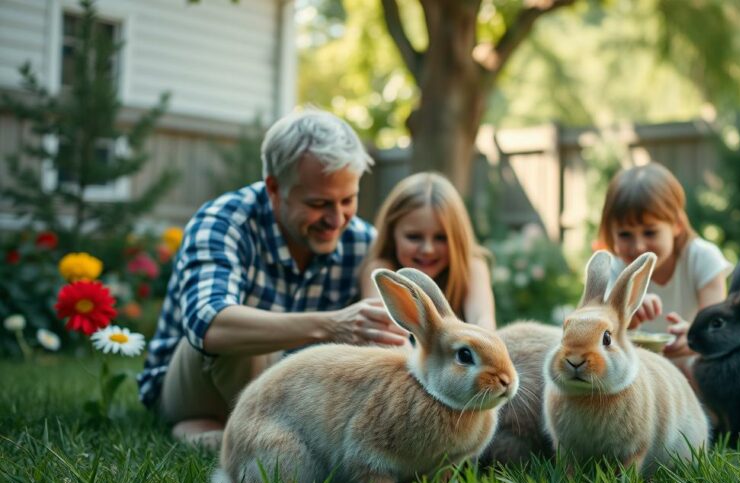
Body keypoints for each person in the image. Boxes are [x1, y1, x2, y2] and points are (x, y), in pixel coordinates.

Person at [138, 109, 407, 448]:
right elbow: (210, 325)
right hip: (193, 383)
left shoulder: (363, 241)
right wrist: (332, 325)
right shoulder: (223, 222)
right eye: (319, 203)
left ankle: (215, 435)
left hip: (293, 391)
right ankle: (261, 436)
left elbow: (387, 334)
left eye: (348, 200)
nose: (337, 219)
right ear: (275, 188)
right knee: (241, 331)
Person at [599, 162, 732, 366]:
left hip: (694, 369)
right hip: (641, 373)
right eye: (625, 234)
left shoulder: (703, 259)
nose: (638, 247)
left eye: (650, 232)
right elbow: (603, 335)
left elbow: (717, 330)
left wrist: (694, 337)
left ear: (677, 224)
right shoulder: (615, 269)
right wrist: (627, 315)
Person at [359, 172, 496, 329]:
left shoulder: (471, 267)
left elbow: (484, 324)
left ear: (458, 238)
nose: (428, 249)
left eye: (441, 238)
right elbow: (388, 336)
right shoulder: (379, 270)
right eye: (414, 237)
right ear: (391, 234)